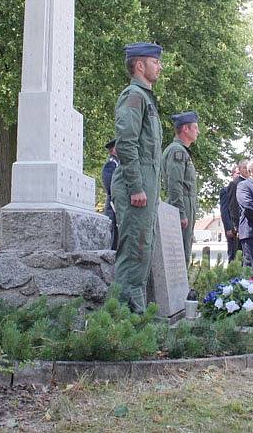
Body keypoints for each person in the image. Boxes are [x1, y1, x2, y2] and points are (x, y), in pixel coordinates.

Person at [111, 42, 163, 314]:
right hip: (137, 188)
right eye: (155, 62)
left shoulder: (146, 98)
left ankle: (134, 317)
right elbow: (126, 143)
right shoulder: (134, 96)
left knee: (141, 251)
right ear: (140, 65)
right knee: (133, 250)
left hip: (145, 187)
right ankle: (121, 318)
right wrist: (136, 187)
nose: (160, 66)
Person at [161, 111, 199, 265]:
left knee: (184, 250)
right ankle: (180, 289)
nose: (198, 131)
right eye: (195, 128)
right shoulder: (177, 151)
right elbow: (175, 183)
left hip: (185, 204)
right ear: (185, 129)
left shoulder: (181, 151)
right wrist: (181, 212)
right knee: (180, 254)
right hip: (181, 205)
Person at [225, 160, 249, 263]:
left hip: (251, 227)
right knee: (239, 257)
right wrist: (237, 226)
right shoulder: (235, 183)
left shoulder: (252, 182)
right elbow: (233, 206)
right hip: (240, 226)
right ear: (239, 169)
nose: (247, 170)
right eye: (244, 168)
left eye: (248, 167)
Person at [102, 139, 119, 251]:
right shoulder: (111, 164)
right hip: (113, 206)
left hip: (118, 205)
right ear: (113, 150)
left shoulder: (119, 163)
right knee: (113, 235)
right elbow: (110, 185)